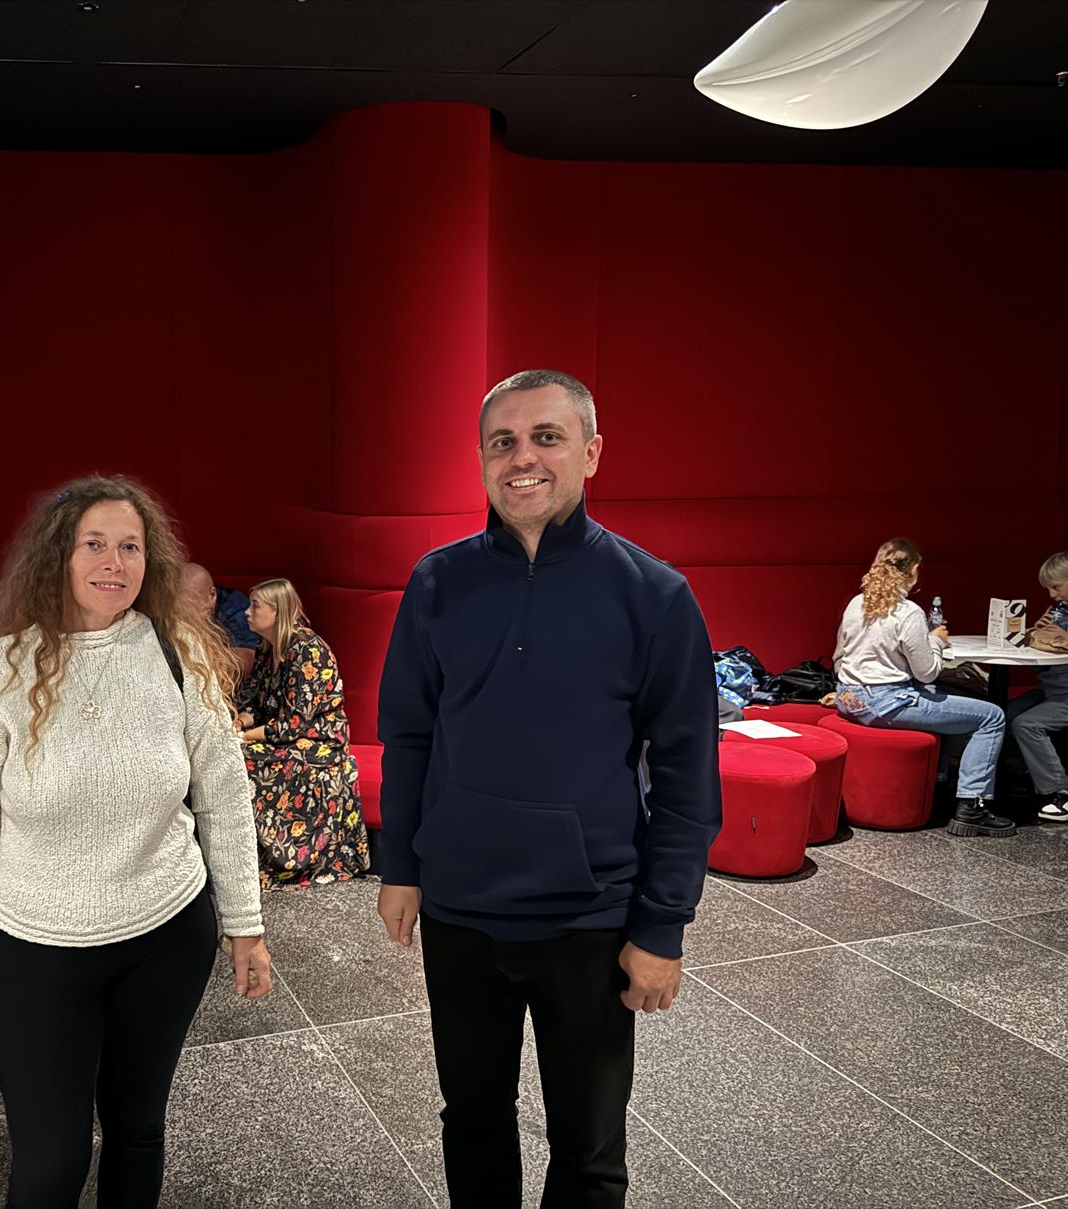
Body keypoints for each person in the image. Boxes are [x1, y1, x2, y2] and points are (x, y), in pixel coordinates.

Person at [376, 369, 721, 1208]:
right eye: (502, 441)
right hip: (460, 912)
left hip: (590, 918)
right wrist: (402, 867)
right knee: (473, 1124)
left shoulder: (654, 596)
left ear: (591, 453)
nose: (521, 457)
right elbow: (409, 736)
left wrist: (663, 923)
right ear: (481, 460)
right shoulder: (436, 583)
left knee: (590, 1149)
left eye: (547, 437)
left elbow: (687, 774)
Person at [0, 475, 271, 1209]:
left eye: (130, 547)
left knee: (137, 1132)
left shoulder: (177, 652)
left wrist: (244, 924)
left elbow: (223, 795)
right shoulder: (1, 670)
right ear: (58, 553)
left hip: (166, 935)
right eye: (94, 544)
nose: (114, 563)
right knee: (50, 1164)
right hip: (41, 950)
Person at [832, 538, 1012, 837]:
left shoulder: (856, 603)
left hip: (849, 698)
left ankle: (938, 784)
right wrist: (936, 642)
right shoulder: (909, 612)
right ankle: (972, 807)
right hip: (887, 703)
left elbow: (839, 656)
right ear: (914, 570)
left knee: (948, 699)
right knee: (991, 716)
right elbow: (927, 673)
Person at [235, 577, 370, 888]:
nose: (247, 612)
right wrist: (239, 723)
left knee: (246, 760)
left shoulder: (308, 651)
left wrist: (244, 737)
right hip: (283, 736)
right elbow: (254, 701)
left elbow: (295, 723)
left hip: (320, 742)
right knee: (231, 755)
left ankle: (282, 861)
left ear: (278, 612)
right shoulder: (265, 649)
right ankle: (243, 859)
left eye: (255, 606)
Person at [1006, 549, 1068, 823]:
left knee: (1028, 724)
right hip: (1052, 689)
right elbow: (1043, 668)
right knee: (1002, 714)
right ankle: (1022, 782)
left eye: (1057, 587)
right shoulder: (1061, 615)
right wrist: (1037, 639)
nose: (1052, 595)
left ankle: (1064, 795)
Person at [180, 562, 261, 681]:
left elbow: (245, 661)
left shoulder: (236, 609)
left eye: (190, 607)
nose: (183, 616)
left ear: (212, 595)